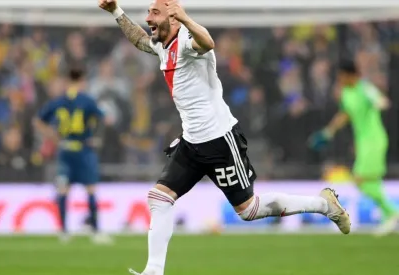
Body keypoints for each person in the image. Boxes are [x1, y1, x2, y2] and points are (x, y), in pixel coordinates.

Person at [98, 1, 351, 275]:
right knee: (159, 198)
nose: (148, 17)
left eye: (154, 12)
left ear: (173, 17)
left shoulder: (187, 41)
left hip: (220, 141)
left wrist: (184, 17)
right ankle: (154, 271)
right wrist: (116, 11)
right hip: (192, 142)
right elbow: (140, 40)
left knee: (249, 210)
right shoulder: (162, 44)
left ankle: (325, 205)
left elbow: (208, 42)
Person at [310, 59, 398, 236]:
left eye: (342, 75)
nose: (340, 79)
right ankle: (389, 216)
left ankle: (392, 213)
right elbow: (345, 114)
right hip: (364, 142)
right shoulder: (347, 93)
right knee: (369, 182)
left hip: (374, 140)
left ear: (350, 75)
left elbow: (381, 101)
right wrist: (328, 132)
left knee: (360, 179)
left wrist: (379, 101)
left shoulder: (364, 88)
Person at [33, 66, 112, 244]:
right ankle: (96, 231)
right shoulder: (88, 100)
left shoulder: (58, 101)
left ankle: (63, 232)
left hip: (65, 150)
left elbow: (38, 121)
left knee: (63, 190)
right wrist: (96, 137)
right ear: (82, 81)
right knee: (91, 189)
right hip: (84, 150)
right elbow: (105, 119)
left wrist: (52, 136)